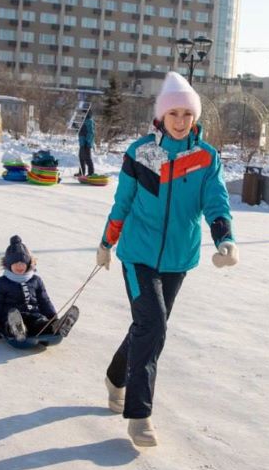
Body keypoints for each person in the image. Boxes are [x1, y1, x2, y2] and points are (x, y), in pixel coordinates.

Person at [95, 71, 239, 448]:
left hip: (178, 258)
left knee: (148, 326)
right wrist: (106, 243)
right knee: (153, 325)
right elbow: (123, 202)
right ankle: (139, 415)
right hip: (137, 254)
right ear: (161, 115)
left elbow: (216, 203)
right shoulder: (141, 153)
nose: (180, 121)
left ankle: (115, 377)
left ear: (195, 117)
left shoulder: (206, 158)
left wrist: (225, 239)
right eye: (173, 113)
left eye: (187, 114)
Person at [0, 235, 59, 340]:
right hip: (11, 318)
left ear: (28, 264)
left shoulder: (36, 280)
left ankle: (55, 327)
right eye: (15, 263)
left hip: (33, 316)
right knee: (10, 323)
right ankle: (16, 330)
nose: (19, 266)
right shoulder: (1, 283)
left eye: (23, 263)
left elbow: (44, 301)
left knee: (40, 323)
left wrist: (53, 317)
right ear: (9, 265)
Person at [78, 111, 96, 176]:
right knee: (81, 158)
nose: (82, 114)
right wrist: (75, 126)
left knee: (87, 158)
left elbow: (91, 133)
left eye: (84, 113)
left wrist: (87, 142)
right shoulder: (83, 121)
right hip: (82, 143)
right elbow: (81, 131)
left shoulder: (89, 121)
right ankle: (81, 172)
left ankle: (91, 173)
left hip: (86, 143)